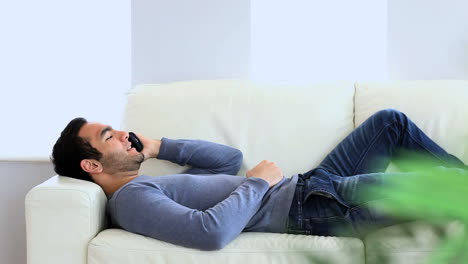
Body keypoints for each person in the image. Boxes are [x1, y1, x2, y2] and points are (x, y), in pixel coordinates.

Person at [51, 109, 467, 250]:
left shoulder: (148, 183)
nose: (123, 134)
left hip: (314, 184)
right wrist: (258, 184)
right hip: (316, 205)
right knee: (449, 186)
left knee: (388, 123)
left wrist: (159, 146)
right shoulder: (130, 201)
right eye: (109, 137)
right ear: (91, 165)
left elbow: (227, 159)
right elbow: (209, 233)